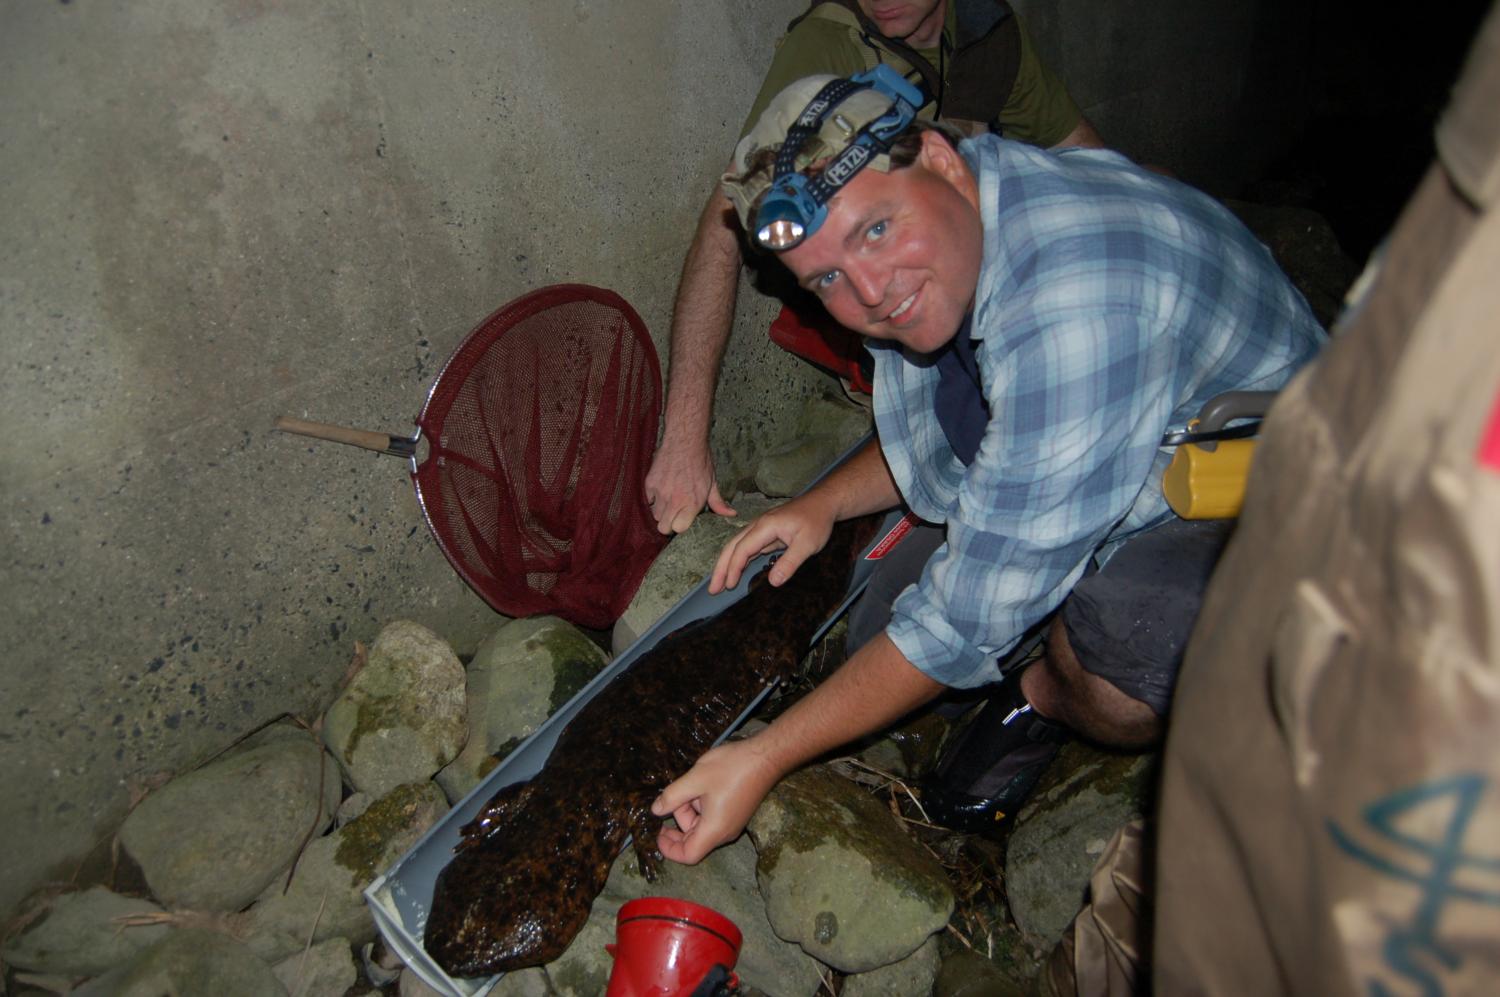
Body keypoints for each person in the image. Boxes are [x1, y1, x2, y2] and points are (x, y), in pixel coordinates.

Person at [649, 68, 1323, 863]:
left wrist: (760, 759)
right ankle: (1043, 578)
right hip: (1106, 431)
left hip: (1270, 486)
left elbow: (958, 624)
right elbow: (948, 425)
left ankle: (1042, 695)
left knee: (1114, 657)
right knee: (878, 628)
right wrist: (824, 503)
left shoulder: (1074, 311)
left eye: (875, 229)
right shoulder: (967, 209)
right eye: (826, 276)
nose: (869, 291)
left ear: (937, 160)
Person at [645, 0, 1105, 535]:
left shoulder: (989, 32)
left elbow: (1091, 161)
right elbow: (724, 222)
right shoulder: (829, 43)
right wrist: (683, 436)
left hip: (987, 286)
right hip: (937, 322)